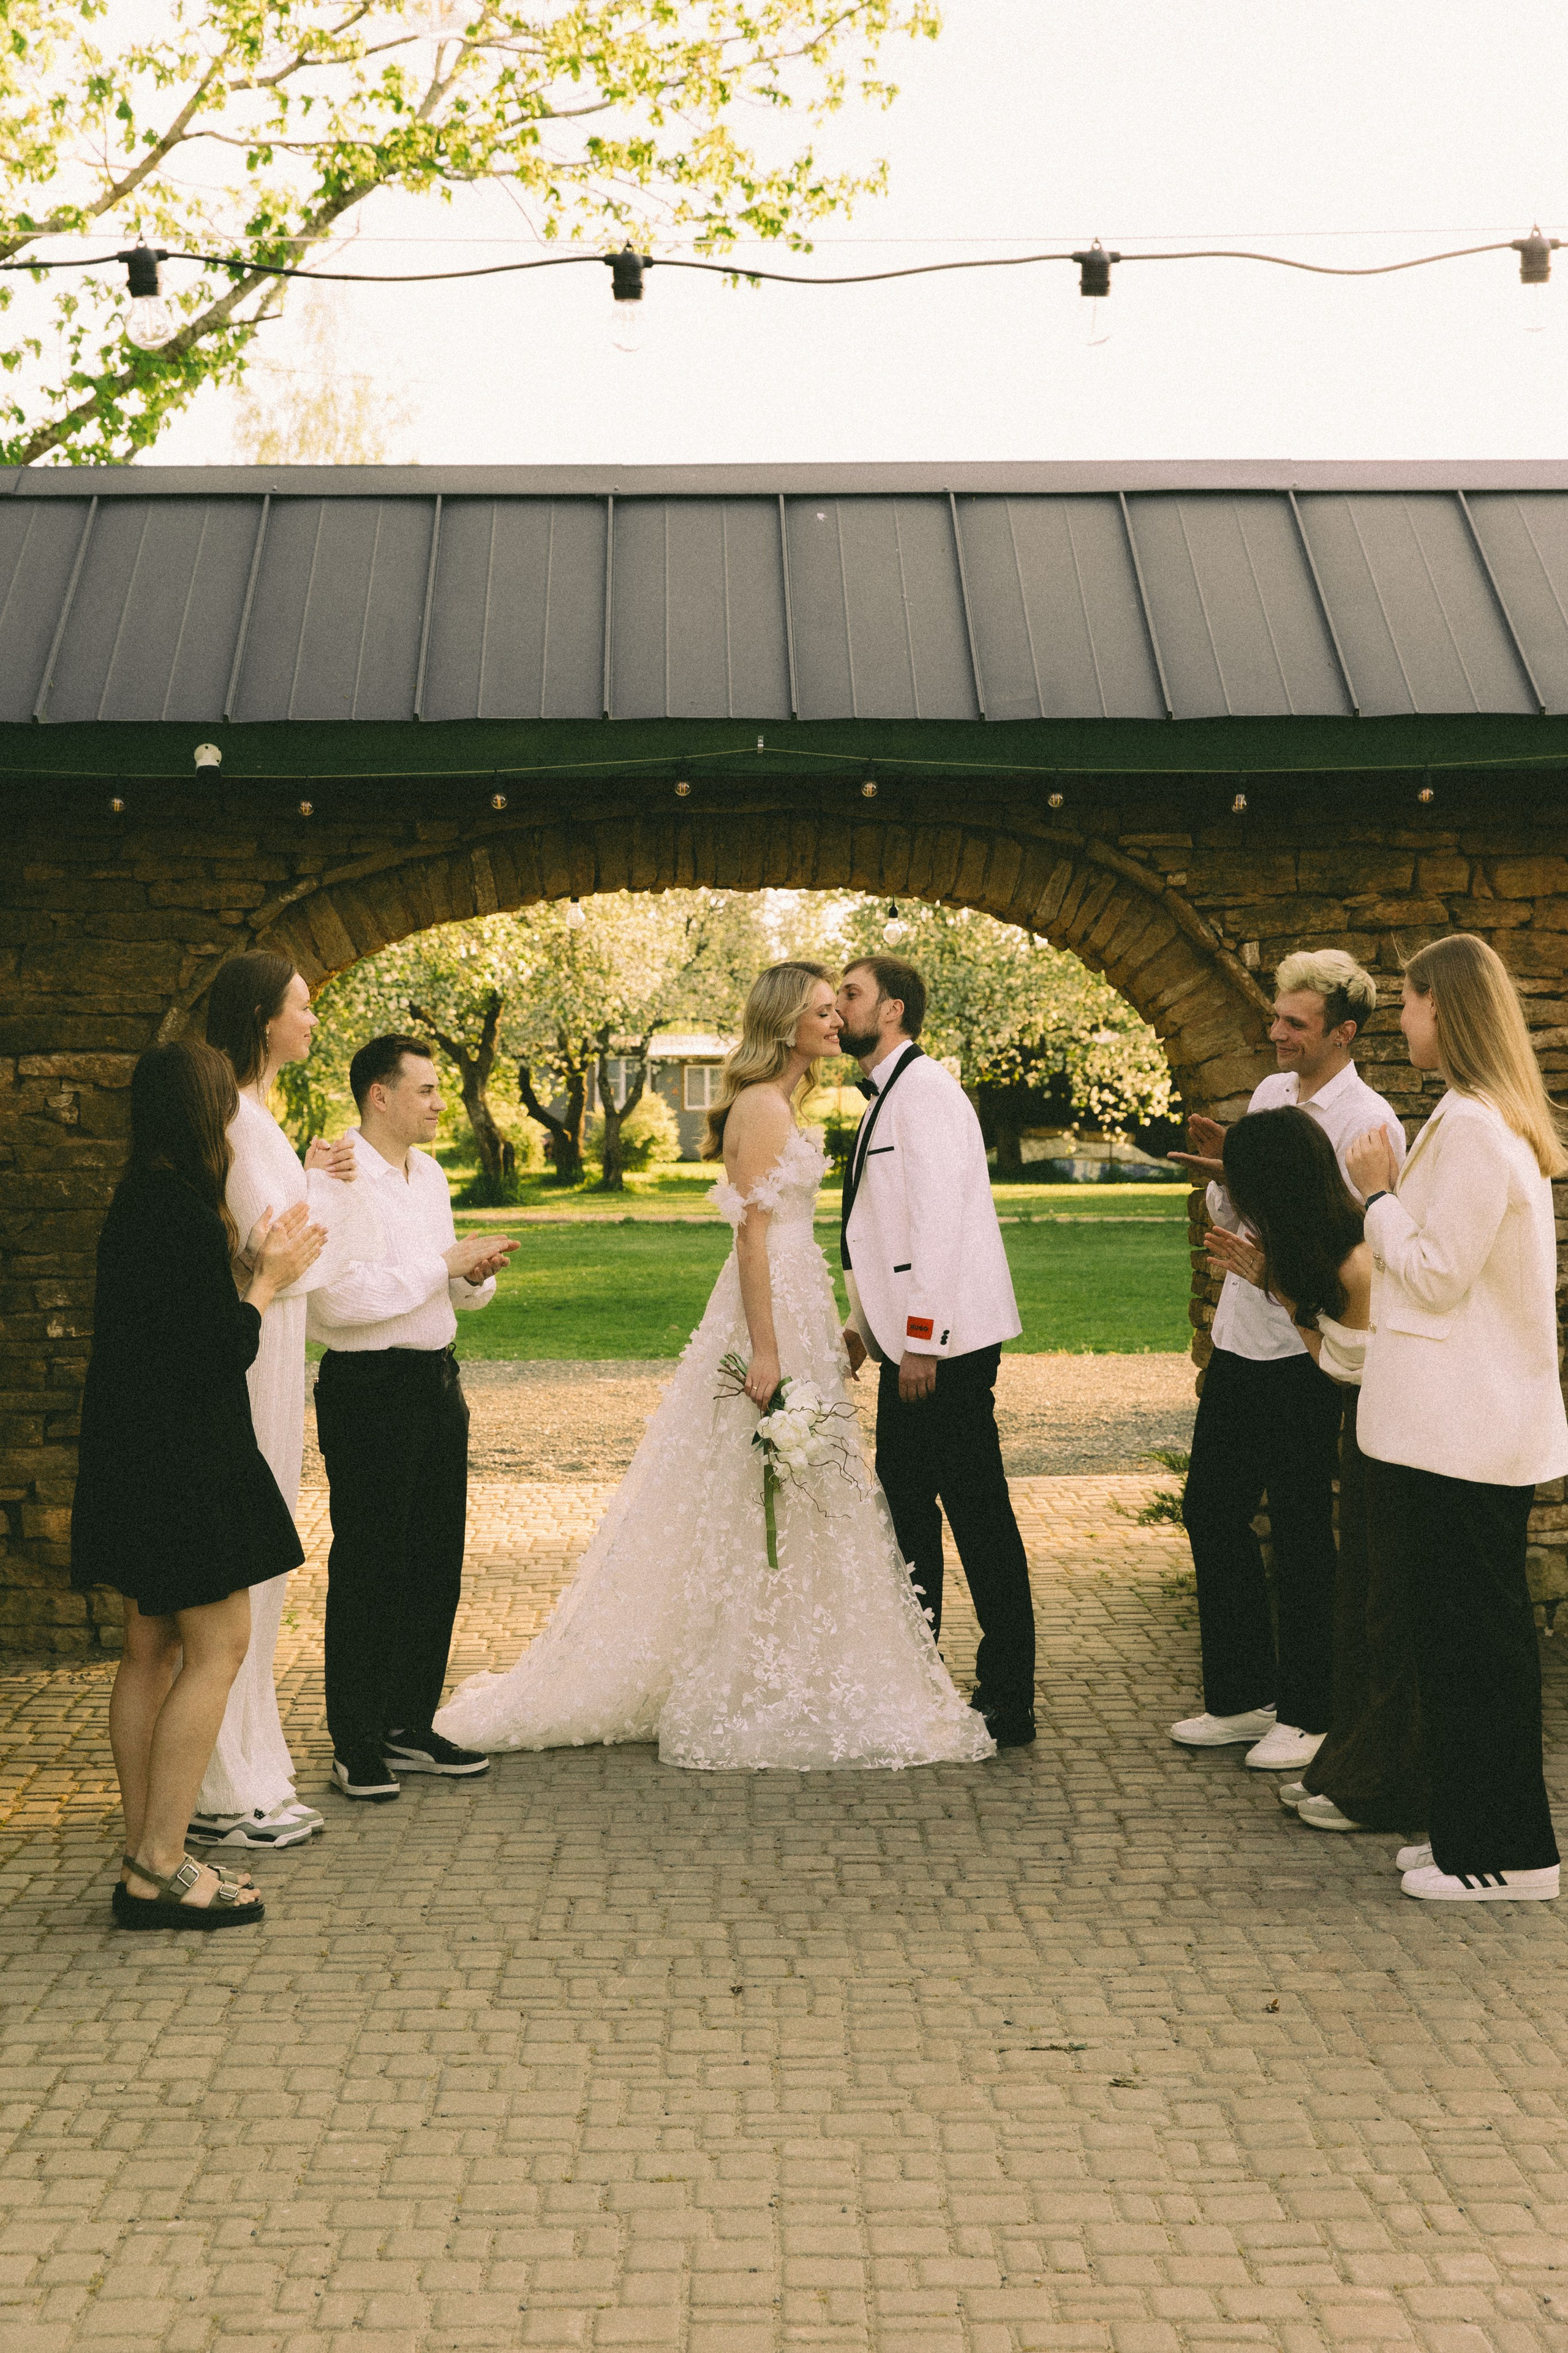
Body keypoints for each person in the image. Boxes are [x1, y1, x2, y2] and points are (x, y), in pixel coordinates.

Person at [434, 964, 994, 1772]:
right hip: (771, 1313)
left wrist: (846, 1329)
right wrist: (766, 1350)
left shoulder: (786, 1100)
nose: (836, 1021)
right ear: (784, 1023)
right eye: (820, 1012)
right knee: (767, 1483)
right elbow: (752, 1235)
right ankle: (755, 1668)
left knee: (805, 1487)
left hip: (802, 1305)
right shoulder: (763, 1106)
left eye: (839, 1009)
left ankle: (796, 1658)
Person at [71, 1040, 325, 1927]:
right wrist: (266, 1283)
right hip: (187, 1462)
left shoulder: (137, 1198)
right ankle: (165, 1862)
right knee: (218, 1645)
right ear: (206, 1113)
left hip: (135, 1456)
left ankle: (146, 1849)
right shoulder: (181, 1212)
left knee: (149, 1649)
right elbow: (220, 1349)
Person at [1347, 934, 1568, 1903]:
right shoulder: (1470, 1117)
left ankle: (1513, 1854)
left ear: (1448, 1006)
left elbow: (1437, 1274)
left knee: (1478, 1645)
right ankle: (1466, 1831)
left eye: (1409, 999)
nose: (1401, 1016)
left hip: (1471, 1435)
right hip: (1456, 1433)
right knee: (1456, 1638)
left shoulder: (1478, 1128)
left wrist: (1378, 1200)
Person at [1167, 950, 1405, 1772]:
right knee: (1211, 1508)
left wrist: (1277, 1270)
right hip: (1240, 1335)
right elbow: (1240, 1199)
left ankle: (1309, 1711)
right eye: (1275, 1018)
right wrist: (1224, 1173)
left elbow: (1351, 1244)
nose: (1276, 1034)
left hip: (1305, 1349)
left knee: (1303, 1528)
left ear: (1342, 1032)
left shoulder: (1369, 1123)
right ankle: (1241, 1697)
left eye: (1294, 1024)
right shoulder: (1272, 1095)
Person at [189, 951, 382, 1853]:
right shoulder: (233, 1112)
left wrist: (316, 1179)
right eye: (304, 1006)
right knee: (248, 1567)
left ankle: (254, 1767)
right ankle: (225, 1787)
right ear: (265, 1017)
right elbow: (286, 1248)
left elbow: (289, 1229)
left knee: (266, 1571)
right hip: (257, 1347)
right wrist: (331, 1197)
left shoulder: (259, 1115)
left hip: (276, 1349)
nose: (313, 1020)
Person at [1205, 1108, 1428, 1838]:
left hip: (1392, 1445)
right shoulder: (1317, 1244)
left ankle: (1373, 1778)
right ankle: (1343, 1768)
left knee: (1376, 1612)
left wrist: (1283, 1293)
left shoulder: (1354, 1253)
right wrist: (1278, 1287)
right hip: (1369, 1439)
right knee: (1362, 1606)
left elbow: (1346, 1365)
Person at [833, 956, 1036, 1747]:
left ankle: (1008, 1697)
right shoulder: (890, 1095)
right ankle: (917, 1679)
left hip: (944, 1352)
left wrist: (920, 1344)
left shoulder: (927, 1095)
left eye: (849, 994)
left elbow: (938, 1232)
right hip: (911, 1348)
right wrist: (863, 1327)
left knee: (976, 1513)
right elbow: (877, 1232)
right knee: (907, 1511)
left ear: (892, 1009)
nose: (836, 1006)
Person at [307, 1036, 516, 1801]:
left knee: (435, 1559)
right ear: (379, 1096)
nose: (438, 1103)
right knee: (371, 1563)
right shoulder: (335, 1178)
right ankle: (356, 1740)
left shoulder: (428, 1174)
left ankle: (408, 1723)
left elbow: (444, 1289)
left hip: (436, 1381)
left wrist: (473, 1277)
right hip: (368, 1388)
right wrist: (443, 1266)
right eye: (425, 1090)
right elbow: (333, 1301)